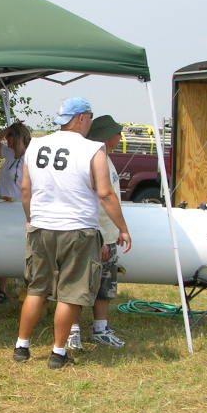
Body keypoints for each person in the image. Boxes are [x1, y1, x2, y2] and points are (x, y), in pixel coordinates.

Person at [12, 97, 131, 369]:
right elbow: (105, 193)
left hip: (42, 228)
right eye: (89, 117)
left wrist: (32, 221)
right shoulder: (93, 149)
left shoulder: (36, 145)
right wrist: (122, 228)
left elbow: (26, 190)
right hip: (77, 229)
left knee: (37, 289)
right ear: (81, 118)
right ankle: (58, 352)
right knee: (71, 293)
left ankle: (22, 346)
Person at [67, 115, 128, 350]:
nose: (119, 137)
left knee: (105, 287)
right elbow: (92, 202)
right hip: (94, 235)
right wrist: (99, 236)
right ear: (104, 136)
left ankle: (100, 330)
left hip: (107, 236)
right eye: (116, 133)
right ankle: (73, 331)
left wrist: (115, 232)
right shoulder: (92, 160)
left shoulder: (105, 159)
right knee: (80, 287)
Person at [0, 121, 32, 303]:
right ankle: (2, 288)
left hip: (22, 208)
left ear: (20, 138)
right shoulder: (9, 153)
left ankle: (28, 287)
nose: (8, 142)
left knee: (25, 247)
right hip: (3, 206)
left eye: (11, 138)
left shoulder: (31, 157)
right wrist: (8, 128)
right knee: (2, 245)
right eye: (8, 139)